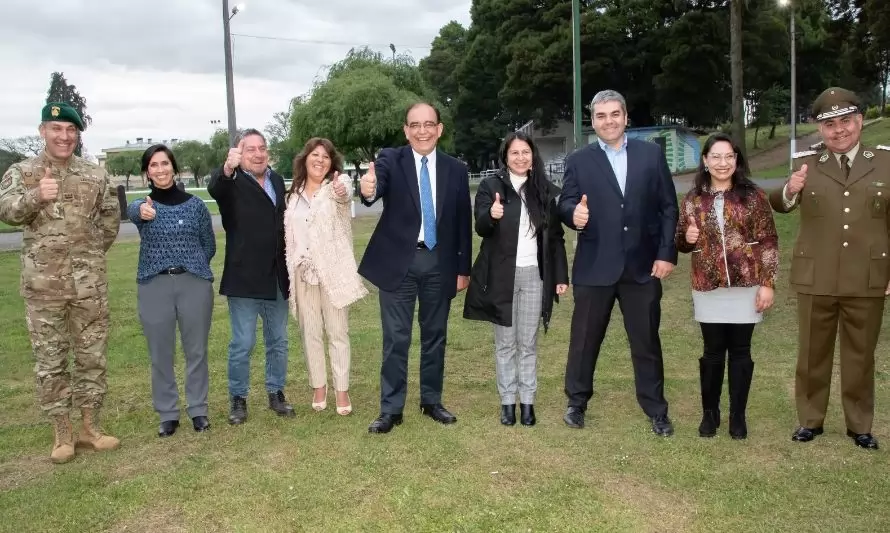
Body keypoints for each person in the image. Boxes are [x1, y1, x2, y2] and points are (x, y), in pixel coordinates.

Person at [0, 102, 121, 463]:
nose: (64, 137)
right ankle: (62, 434)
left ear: (77, 134)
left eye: (71, 130)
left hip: (89, 287)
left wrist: (91, 257)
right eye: (56, 129)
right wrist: (36, 196)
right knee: (50, 360)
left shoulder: (95, 175)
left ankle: (90, 428)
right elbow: (5, 211)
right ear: (43, 131)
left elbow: (110, 220)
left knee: (91, 356)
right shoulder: (23, 172)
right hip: (44, 289)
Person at [769, 87, 889, 450]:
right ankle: (810, 420)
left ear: (859, 121)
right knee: (811, 353)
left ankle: (859, 425)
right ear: (820, 130)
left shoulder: (884, 162)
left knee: (860, 354)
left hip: (868, 276)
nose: (839, 131)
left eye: (846, 122)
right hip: (816, 275)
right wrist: (790, 189)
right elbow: (780, 203)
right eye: (830, 124)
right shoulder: (805, 163)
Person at [558, 90, 679, 435]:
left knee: (646, 341)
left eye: (614, 114)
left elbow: (668, 207)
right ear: (592, 121)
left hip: (642, 267)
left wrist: (665, 253)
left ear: (626, 117)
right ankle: (576, 403)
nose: (608, 121)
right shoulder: (579, 161)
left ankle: (656, 409)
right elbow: (565, 202)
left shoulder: (651, 155)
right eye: (600, 116)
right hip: (595, 266)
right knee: (584, 340)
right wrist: (573, 214)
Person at [358, 102, 472, 434]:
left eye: (428, 124)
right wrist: (368, 190)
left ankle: (431, 401)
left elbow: (463, 222)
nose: (422, 131)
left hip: (440, 263)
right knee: (396, 338)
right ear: (406, 130)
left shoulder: (456, 169)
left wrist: (462, 268)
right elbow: (374, 186)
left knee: (435, 335)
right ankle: (391, 409)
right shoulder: (392, 160)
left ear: (439, 129)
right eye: (414, 125)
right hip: (399, 264)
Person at [675, 133, 778, 440]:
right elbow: (680, 242)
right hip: (708, 285)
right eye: (716, 157)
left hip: (746, 285)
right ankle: (710, 413)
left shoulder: (753, 196)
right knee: (713, 352)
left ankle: (737, 415)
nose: (723, 163)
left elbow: (769, 240)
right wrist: (687, 239)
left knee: (741, 351)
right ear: (705, 161)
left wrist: (768, 283)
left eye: (729, 157)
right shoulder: (693, 198)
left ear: (736, 160)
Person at [463, 132, 569, 426]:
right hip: (501, 277)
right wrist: (492, 214)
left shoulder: (545, 191)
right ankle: (508, 401)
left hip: (535, 277)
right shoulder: (490, 186)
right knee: (505, 343)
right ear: (505, 157)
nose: (521, 157)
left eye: (526, 152)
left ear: (533, 156)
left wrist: (560, 276)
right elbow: (481, 227)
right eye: (514, 153)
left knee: (528, 343)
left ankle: (528, 402)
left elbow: (556, 239)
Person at [127, 145, 216, 437]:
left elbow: (208, 245)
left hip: (193, 282)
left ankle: (198, 409)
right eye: (153, 165)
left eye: (165, 163)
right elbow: (133, 212)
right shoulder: (145, 206)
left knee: (196, 351)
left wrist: (194, 266)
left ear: (174, 169)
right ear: (146, 172)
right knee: (160, 353)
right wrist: (140, 211)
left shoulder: (196, 205)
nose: (160, 169)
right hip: (155, 285)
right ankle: (167, 413)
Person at [207, 129, 294, 425]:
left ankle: (276, 392)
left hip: (277, 279)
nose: (257, 154)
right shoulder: (231, 183)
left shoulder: (278, 181)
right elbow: (215, 188)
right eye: (250, 150)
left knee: (278, 341)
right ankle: (238, 398)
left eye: (262, 148)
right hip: (244, 279)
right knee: (243, 343)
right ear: (239, 155)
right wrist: (227, 169)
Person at [284, 138, 367, 416]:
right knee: (310, 333)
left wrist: (344, 188)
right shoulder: (292, 195)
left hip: (332, 273)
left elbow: (345, 196)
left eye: (326, 157)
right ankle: (319, 386)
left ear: (332, 163)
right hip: (302, 273)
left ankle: (341, 390)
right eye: (314, 155)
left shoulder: (335, 190)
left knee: (337, 332)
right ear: (304, 159)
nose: (320, 160)